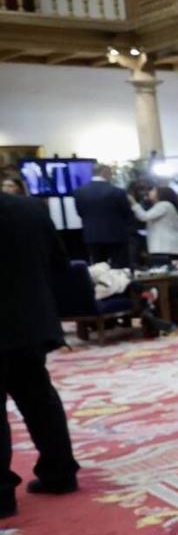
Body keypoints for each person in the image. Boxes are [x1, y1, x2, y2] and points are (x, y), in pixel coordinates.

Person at [0, 186, 81, 518]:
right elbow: (60, 264)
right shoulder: (31, 209)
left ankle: (2, 496)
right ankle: (60, 473)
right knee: (39, 399)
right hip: (30, 325)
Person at [74, 163, 133, 267]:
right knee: (120, 270)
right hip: (117, 236)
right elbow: (127, 214)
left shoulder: (79, 192)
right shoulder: (117, 192)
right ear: (105, 172)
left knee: (99, 270)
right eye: (111, 173)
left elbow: (80, 213)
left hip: (92, 236)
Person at [132, 184, 178, 266]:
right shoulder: (165, 206)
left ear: (160, 193)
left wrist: (133, 203)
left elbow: (144, 216)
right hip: (168, 247)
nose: (149, 192)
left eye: (153, 190)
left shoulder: (164, 205)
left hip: (165, 248)